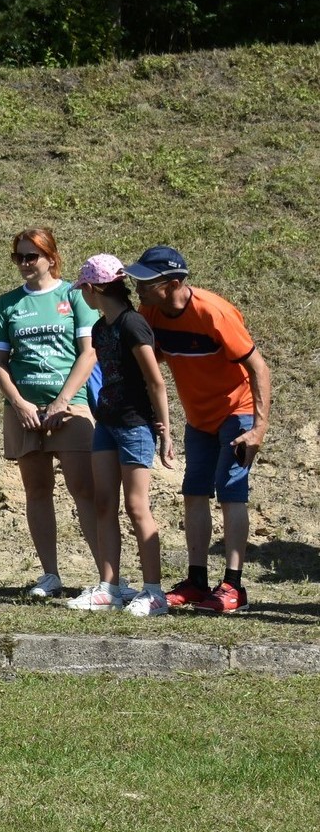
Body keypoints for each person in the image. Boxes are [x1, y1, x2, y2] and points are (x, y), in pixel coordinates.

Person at [128, 245, 271, 614]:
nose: (137, 287)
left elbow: (259, 369)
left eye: (146, 281)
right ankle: (196, 581)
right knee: (194, 493)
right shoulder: (151, 312)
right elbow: (149, 366)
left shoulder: (213, 313)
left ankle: (233, 586)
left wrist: (258, 429)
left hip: (235, 414)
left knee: (231, 493)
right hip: (198, 420)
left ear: (173, 282)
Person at [0, 228, 99, 600]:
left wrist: (63, 401)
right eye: (19, 257)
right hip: (25, 413)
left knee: (85, 490)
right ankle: (50, 575)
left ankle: (107, 577)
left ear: (51, 257)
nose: (24, 264)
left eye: (31, 256)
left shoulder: (74, 296)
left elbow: (89, 353)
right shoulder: (8, 303)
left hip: (70, 409)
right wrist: (19, 404)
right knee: (37, 491)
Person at [67, 255, 175, 617]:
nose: (82, 295)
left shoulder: (134, 324)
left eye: (83, 289)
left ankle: (154, 592)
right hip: (107, 425)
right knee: (103, 503)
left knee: (136, 505)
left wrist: (166, 430)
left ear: (95, 289)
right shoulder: (101, 329)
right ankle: (109, 588)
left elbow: (155, 381)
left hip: (134, 426)